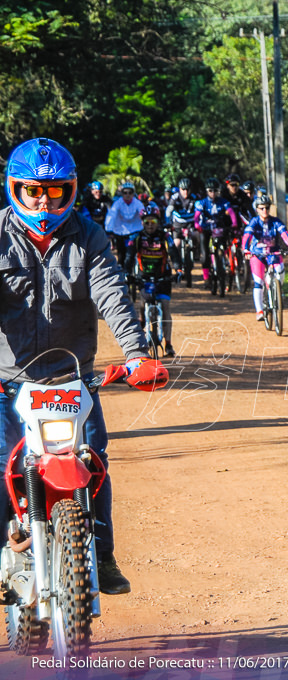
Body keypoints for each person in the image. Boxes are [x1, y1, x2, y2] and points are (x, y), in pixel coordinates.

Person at [0, 138, 168, 595]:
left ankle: (103, 555)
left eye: (54, 192)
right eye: (33, 190)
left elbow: (112, 292)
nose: (43, 201)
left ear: (69, 191)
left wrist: (136, 354)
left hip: (73, 381)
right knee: (1, 465)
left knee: (93, 464)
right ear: (15, 189)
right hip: (7, 384)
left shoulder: (88, 235)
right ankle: (5, 548)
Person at [127, 206, 175, 357]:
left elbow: (174, 252)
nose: (150, 225)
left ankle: (168, 344)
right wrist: (126, 272)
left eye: (153, 221)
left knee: (165, 307)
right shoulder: (136, 238)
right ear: (142, 223)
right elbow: (129, 257)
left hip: (163, 276)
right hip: (144, 277)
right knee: (143, 303)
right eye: (147, 222)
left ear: (158, 222)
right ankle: (142, 321)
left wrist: (179, 269)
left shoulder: (165, 237)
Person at [242, 193, 288, 322]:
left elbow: (284, 234)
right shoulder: (254, 222)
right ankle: (260, 310)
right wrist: (246, 249)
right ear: (257, 209)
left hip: (273, 253)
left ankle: (276, 289)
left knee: (280, 271)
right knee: (258, 282)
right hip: (257, 254)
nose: (265, 210)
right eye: (261, 208)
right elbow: (247, 236)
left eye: (267, 207)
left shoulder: (275, 221)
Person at [194, 177, 238, 290]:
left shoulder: (223, 202)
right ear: (207, 191)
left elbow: (231, 213)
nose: (213, 193)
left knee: (224, 247)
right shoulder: (202, 203)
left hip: (219, 229)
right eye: (210, 191)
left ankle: (225, 265)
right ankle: (206, 278)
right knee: (205, 256)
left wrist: (234, 224)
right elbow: (197, 216)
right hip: (206, 229)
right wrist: (197, 225)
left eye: (215, 191)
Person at [105, 180, 144, 269]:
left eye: (130, 192)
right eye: (125, 192)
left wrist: (145, 221)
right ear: (122, 193)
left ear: (133, 193)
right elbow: (112, 215)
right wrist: (108, 228)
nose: (127, 195)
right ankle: (121, 275)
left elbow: (143, 212)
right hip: (120, 232)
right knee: (121, 256)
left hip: (134, 231)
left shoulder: (137, 203)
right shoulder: (117, 203)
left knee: (130, 254)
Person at [166, 177, 196, 284]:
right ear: (179, 189)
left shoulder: (194, 198)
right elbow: (169, 210)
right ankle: (178, 265)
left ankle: (195, 255)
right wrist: (167, 221)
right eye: (183, 189)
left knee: (197, 237)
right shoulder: (175, 197)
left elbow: (199, 211)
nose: (185, 192)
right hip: (178, 224)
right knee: (176, 245)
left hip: (190, 224)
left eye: (187, 189)